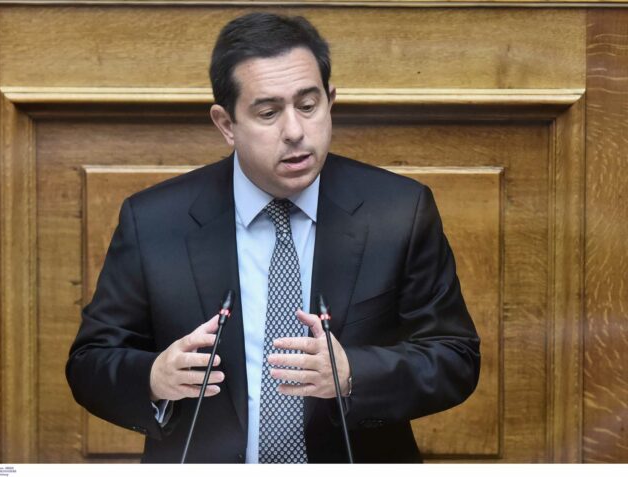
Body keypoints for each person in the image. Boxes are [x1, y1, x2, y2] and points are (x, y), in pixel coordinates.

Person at [66, 12, 480, 464]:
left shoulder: (400, 210)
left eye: (309, 106)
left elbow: (454, 356)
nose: (295, 131)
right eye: (268, 113)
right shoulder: (155, 221)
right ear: (226, 124)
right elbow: (90, 362)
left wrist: (353, 374)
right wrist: (153, 377)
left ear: (331, 101)